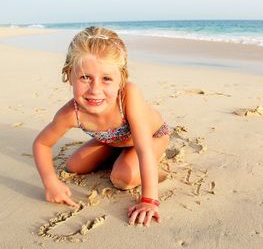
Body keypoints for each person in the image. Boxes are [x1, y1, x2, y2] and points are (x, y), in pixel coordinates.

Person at [32, 26, 170, 227]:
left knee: (122, 178)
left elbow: (143, 148)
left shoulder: (128, 96)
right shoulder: (72, 113)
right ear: (69, 75)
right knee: (74, 166)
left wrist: (149, 199)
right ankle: (118, 155)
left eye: (106, 79)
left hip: (151, 138)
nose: (95, 89)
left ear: (121, 79)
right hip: (113, 141)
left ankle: (150, 169)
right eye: (85, 77)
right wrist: (50, 182)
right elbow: (42, 144)